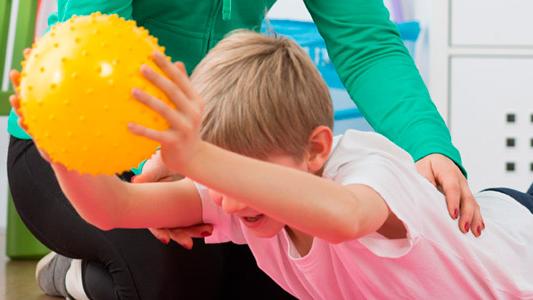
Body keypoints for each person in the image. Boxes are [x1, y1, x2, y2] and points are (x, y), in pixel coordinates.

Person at [7, 0, 483, 299]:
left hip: (217, 157)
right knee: (175, 274)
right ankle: (75, 276)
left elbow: (366, 44)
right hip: (84, 154)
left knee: (282, 277)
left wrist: (427, 146)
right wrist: (154, 166)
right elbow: (89, 50)